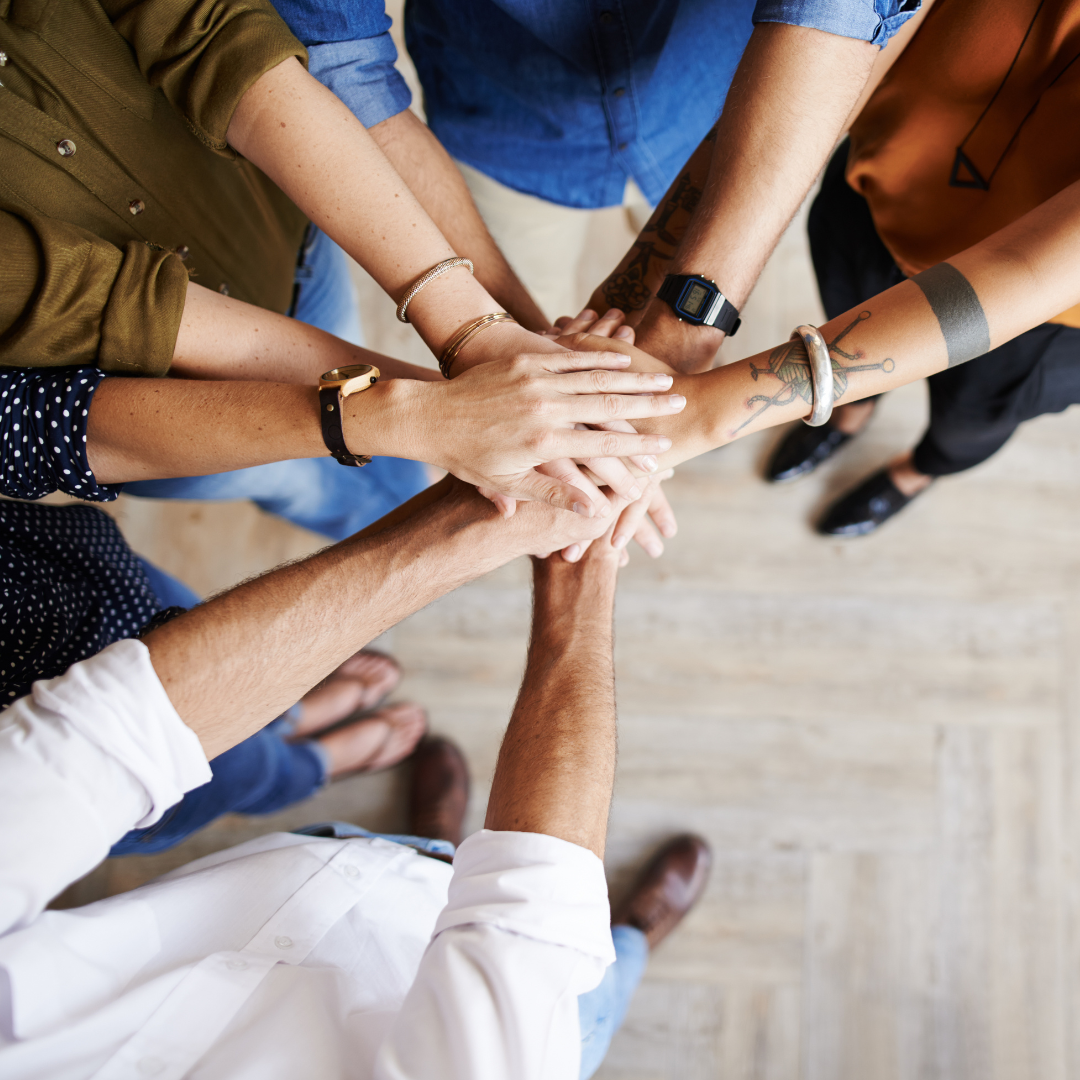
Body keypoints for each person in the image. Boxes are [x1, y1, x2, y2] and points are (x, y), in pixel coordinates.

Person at [0, 478, 709, 1079]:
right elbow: (532, 924)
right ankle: (638, 931)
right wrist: (583, 563)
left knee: (368, 839)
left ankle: (431, 840)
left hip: (308, 872)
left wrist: (486, 508)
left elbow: (92, 743)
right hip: (543, 1014)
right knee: (594, 982)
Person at [0, 0, 673, 537]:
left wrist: (492, 363)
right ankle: (381, 531)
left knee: (433, 456)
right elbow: (100, 301)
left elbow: (215, 35)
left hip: (279, 241)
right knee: (317, 490)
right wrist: (475, 396)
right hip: (163, 403)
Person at [763, 0, 1080, 535]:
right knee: (845, 321)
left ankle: (913, 474)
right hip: (891, 178)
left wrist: (711, 415)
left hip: (1057, 311)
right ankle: (849, 412)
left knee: (972, 419)